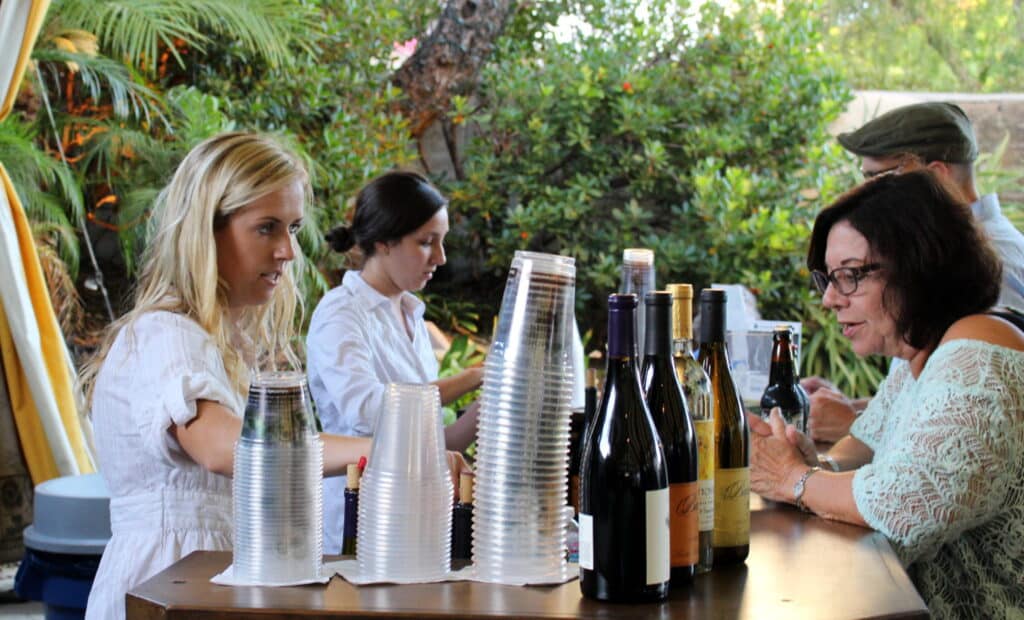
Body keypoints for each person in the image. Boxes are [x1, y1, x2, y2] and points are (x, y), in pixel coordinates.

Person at [80, 134, 467, 620]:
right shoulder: (166, 333)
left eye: (293, 228)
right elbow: (225, 449)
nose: (288, 250)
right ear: (208, 230)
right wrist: (393, 450)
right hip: (165, 589)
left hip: (211, 586)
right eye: (267, 228)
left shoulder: (223, 345)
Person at [750, 171, 1024, 619]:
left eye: (851, 276)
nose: (830, 300)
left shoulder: (977, 354)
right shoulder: (921, 354)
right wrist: (813, 466)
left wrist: (794, 480)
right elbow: (870, 450)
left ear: (920, 265)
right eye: (828, 279)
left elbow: (913, 503)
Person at [803, 101, 1024, 442]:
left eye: (879, 178)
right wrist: (858, 410)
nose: (865, 194)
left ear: (935, 176)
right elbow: (932, 396)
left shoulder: (992, 263)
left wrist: (851, 426)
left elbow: (975, 423)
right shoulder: (953, 254)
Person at [306, 170, 482, 554]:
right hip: (359, 528)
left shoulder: (410, 315)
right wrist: (471, 377)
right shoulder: (342, 313)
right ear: (383, 241)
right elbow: (371, 412)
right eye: (426, 243)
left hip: (416, 524)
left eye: (442, 242)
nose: (441, 257)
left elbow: (426, 440)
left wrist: (491, 406)